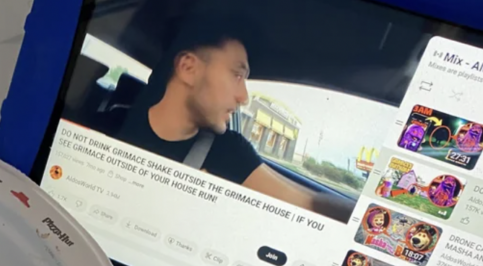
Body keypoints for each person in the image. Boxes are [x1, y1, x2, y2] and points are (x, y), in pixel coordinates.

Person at [117, 21, 354, 223]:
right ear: (188, 68)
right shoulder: (109, 123)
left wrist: (377, 219)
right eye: (237, 75)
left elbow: (305, 203)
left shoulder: (227, 151)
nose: (244, 97)